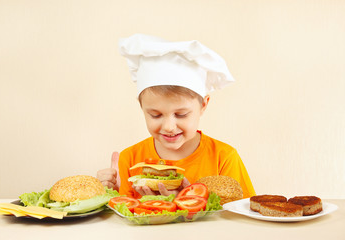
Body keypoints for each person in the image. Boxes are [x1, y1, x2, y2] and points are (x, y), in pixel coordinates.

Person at [97, 34, 256, 199]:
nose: (169, 126)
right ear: (142, 107)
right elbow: (121, 218)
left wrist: (192, 205)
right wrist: (109, 196)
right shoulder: (129, 160)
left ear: (203, 105)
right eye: (155, 115)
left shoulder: (223, 158)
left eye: (181, 114)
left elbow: (242, 215)